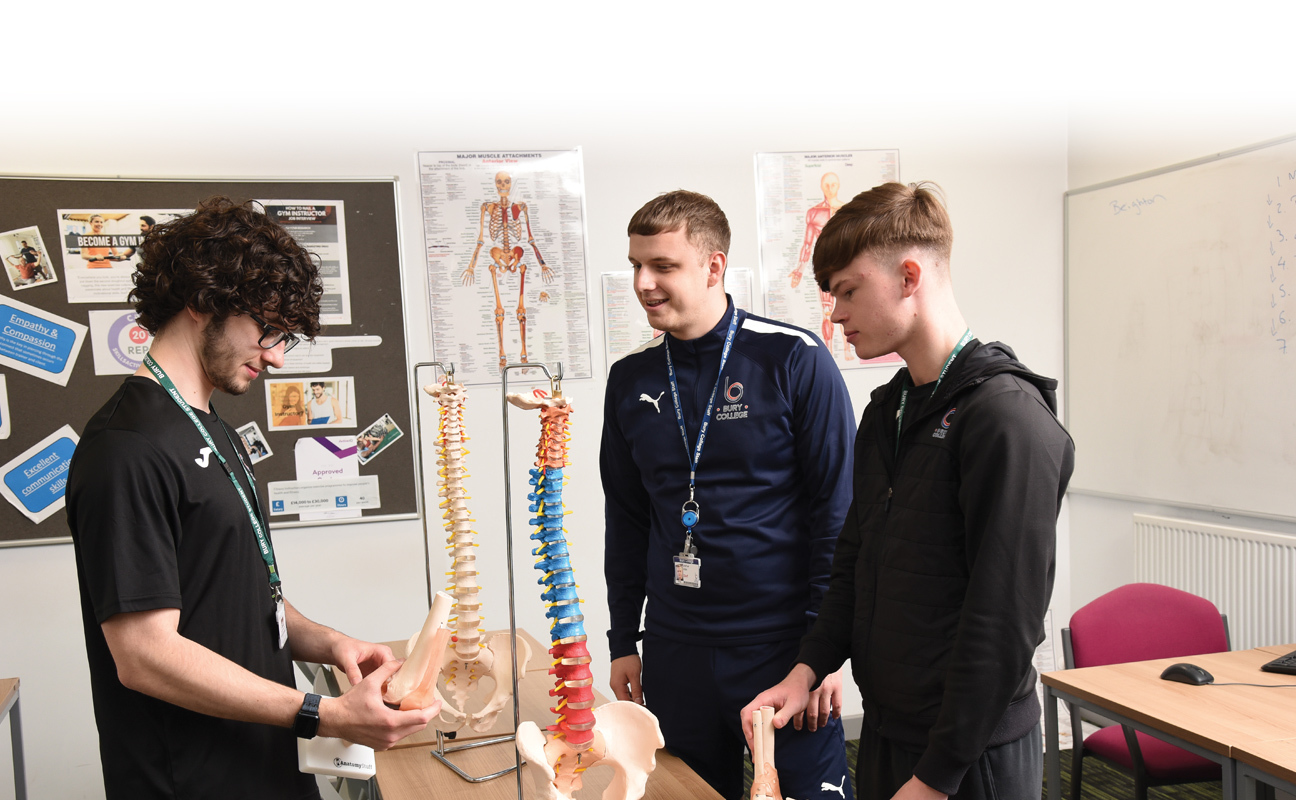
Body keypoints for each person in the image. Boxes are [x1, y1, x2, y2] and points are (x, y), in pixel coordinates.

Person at [66, 197, 438, 800]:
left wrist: (328, 642)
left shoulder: (209, 422)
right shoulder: (125, 448)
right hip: (188, 778)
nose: (276, 356)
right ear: (200, 300)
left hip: (264, 759)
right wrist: (326, 713)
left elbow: (236, 591)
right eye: (266, 330)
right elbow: (144, 655)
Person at [742, 182, 1075, 800]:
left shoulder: (1007, 419)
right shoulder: (886, 411)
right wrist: (806, 669)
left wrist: (936, 776)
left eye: (847, 290)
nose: (835, 314)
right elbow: (854, 562)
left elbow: (1002, 623)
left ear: (909, 276)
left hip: (971, 757)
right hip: (892, 732)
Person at [602, 190, 857, 800]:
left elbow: (839, 516)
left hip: (781, 650)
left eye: (663, 266)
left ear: (714, 267)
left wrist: (823, 653)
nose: (643, 283)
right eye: (636, 264)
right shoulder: (630, 379)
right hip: (674, 648)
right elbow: (628, 520)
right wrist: (621, 640)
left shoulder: (793, 358)